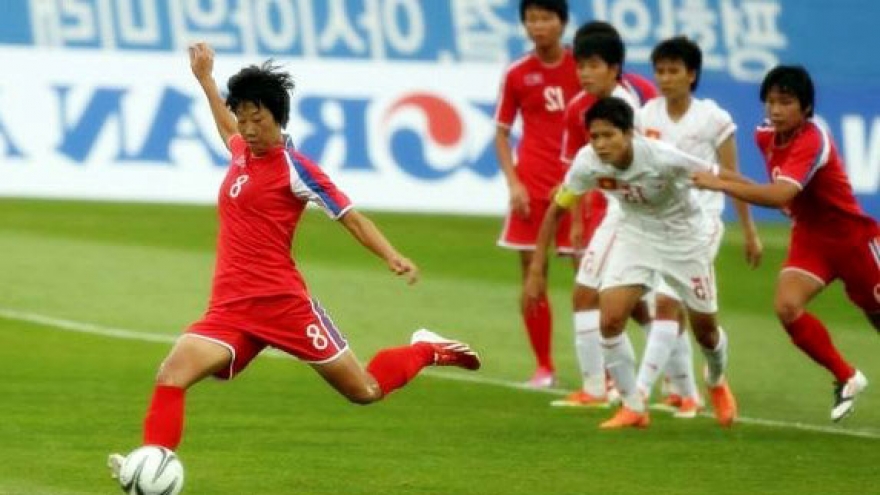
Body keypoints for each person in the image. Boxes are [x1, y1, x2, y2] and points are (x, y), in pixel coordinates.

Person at [108, 43, 482, 482]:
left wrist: (391, 255)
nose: (247, 129)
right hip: (230, 309)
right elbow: (226, 128)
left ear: (278, 118)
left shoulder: (294, 168)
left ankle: (427, 348)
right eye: (243, 118)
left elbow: (349, 216)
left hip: (283, 305)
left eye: (257, 119)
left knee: (364, 390)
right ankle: (150, 467)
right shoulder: (243, 153)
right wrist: (207, 82)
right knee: (172, 373)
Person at [526, 96, 737, 429]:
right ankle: (634, 406)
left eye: (608, 135)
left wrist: (774, 194)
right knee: (609, 320)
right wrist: (537, 268)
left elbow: (721, 175)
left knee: (706, 333)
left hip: (683, 240)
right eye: (594, 137)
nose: (601, 144)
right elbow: (558, 207)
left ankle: (716, 380)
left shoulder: (662, 157)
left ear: (628, 134)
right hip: (635, 236)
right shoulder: (588, 162)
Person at [692, 65, 878, 422]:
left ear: (806, 108)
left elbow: (779, 193)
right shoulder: (766, 135)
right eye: (770, 101)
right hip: (810, 237)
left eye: (786, 102)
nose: (775, 110)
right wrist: (710, 173)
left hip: (853, 240)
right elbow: (769, 188)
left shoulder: (813, 140)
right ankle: (847, 376)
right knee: (786, 307)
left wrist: (721, 184)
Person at [633, 36, 763, 418]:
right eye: (660, 71)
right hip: (663, 222)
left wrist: (749, 231)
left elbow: (732, 177)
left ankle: (643, 396)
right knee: (699, 325)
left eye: (674, 71)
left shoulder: (713, 119)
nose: (665, 78)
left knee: (668, 303)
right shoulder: (646, 116)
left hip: (703, 222)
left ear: (692, 75)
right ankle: (699, 385)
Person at [549, 24, 653, 408]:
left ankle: (649, 387)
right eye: (580, 66)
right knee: (588, 296)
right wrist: (575, 220)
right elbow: (576, 174)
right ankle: (597, 388)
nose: (585, 74)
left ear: (614, 68)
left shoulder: (632, 110)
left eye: (593, 65)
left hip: (636, 216)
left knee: (621, 302)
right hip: (612, 210)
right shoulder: (581, 107)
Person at [494, 0, 581, 387]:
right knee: (533, 274)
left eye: (546, 18)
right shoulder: (517, 73)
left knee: (590, 278)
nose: (538, 26)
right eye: (531, 19)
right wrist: (514, 182)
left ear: (562, 23)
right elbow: (500, 132)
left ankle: (607, 372)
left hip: (580, 185)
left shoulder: (585, 66)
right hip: (532, 186)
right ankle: (544, 366)